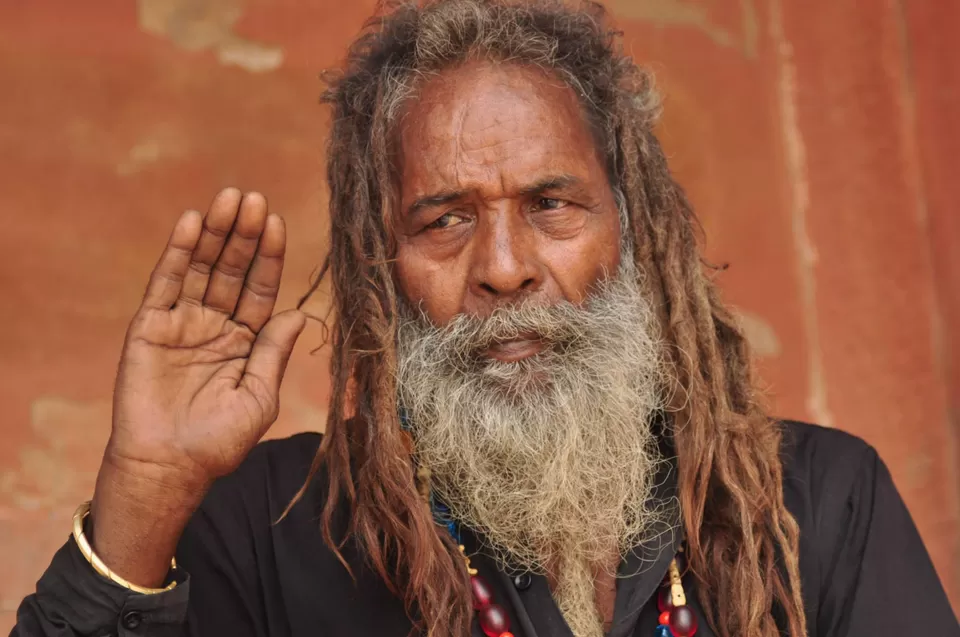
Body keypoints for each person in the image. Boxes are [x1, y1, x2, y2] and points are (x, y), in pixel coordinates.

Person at [12, 1, 959, 636]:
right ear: (382, 263)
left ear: (632, 230)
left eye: (552, 204)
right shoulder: (272, 523)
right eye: (445, 218)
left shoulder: (817, 505)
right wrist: (143, 494)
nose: (503, 269)